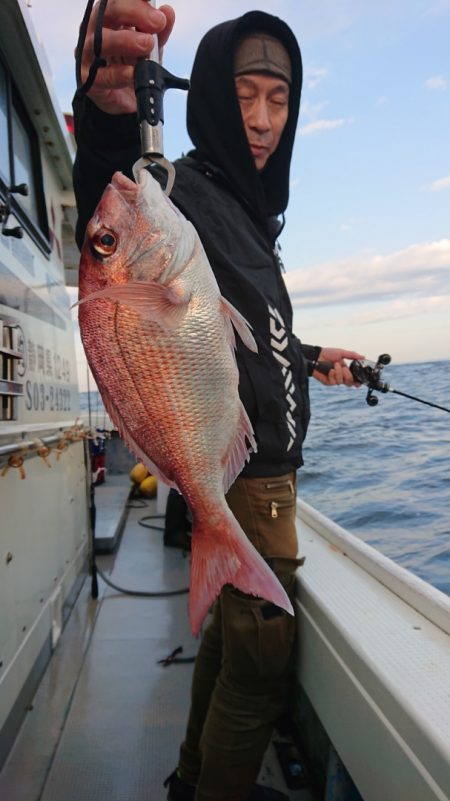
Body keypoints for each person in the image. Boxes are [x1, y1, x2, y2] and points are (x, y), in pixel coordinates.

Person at [72, 3, 364, 799]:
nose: (266, 119)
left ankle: (193, 779)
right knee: (262, 662)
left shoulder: (246, 215)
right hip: (250, 483)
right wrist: (104, 111)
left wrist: (308, 360)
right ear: (206, 95)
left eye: (281, 98)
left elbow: (238, 341)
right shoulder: (182, 193)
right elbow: (112, 208)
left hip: (248, 472)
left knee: (229, 647)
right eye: (246, 95)